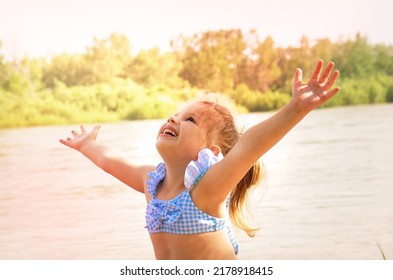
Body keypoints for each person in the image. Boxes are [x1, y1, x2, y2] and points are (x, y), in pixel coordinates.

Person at [60, 59, 340, 260]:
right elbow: (113, 161)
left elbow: (250, 145)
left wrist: (296, 108)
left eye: (189, 120)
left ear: (212, 151)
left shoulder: (207, 189)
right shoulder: (151, 182)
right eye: (177, 115)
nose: (173, 118)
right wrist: (87, 146)